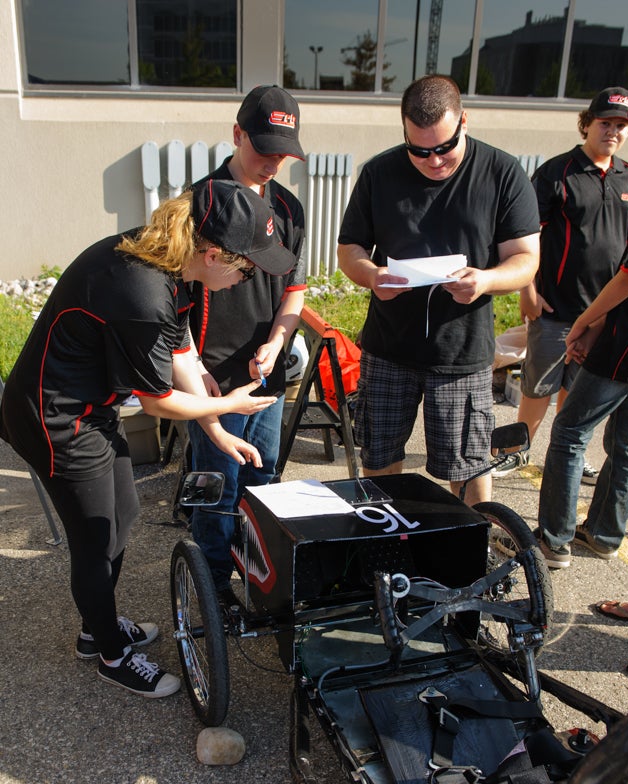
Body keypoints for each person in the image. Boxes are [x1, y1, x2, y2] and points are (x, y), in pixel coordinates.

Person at [0, 179, 295, 697]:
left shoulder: (171, 260)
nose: (247, 278)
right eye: (246, 267)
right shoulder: (141, 289)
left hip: (92, 409)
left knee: (125, 514)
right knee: (96, 536)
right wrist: (227, 404)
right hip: (54, 418)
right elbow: (158, 404)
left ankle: (99, 627)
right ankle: (110, 654)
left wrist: (218, 431)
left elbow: (179, 350)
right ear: (212, 253)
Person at [337, 75, 539, 506]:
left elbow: (525, 258)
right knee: (380, 455)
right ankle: (386, 544)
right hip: (389, 346)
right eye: (419, 150)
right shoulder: (379, 173)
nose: (433, 161)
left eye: (444, 148)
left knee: (468, 466)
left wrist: (485, 280)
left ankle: (474, 550)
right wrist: (371, 275)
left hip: (461, 352)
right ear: (404, 133)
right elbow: (349, 248)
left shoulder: (501, 172)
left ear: (464, 121)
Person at [187, 85, 306, 603]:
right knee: (216, 492)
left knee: (263, 485)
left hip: (267, 378)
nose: (272, 163)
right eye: (263, 150)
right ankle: (210, 592)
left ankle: (260, 580)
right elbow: (173, 300)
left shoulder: (290, 208)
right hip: (213, 377)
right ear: (237, 135)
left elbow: (295, 291)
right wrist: (191, 370)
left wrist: (280, 342)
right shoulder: (199, 202)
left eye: (283, 153)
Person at [494, 86, 628, 480]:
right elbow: (526, 236)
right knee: (538, 387)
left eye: (621, 125)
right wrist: (528, 292)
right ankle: (516, 451)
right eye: (605, 122)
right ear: (586, 124)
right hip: (556, 308)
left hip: (601, 315)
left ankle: (567, 454)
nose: (612, 131)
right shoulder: (558, 173)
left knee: (575, 394)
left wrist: (608, 314)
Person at [536, 153, 628, 573]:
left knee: (570, 430)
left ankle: (554, 539)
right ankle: (603, 534)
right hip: (625, 334)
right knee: (627, 440)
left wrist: (586, 320)